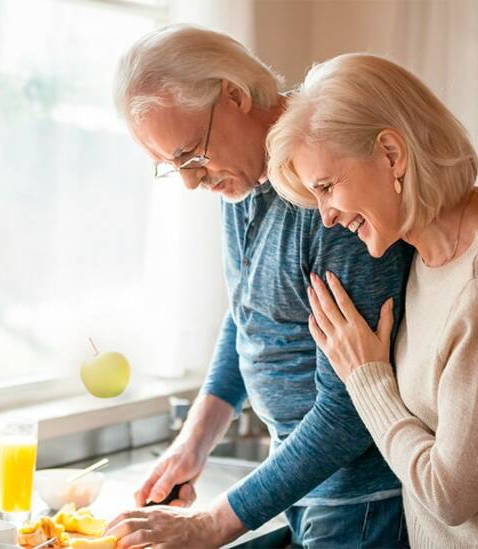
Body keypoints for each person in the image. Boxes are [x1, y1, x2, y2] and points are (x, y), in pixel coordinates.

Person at [103, 25, 414, 549]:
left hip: (359, 503)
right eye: (170, 167)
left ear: (234, 96)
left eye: (190, 155)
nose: (189, 181)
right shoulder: (245, 178)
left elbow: (353, 408)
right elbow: (252, 312)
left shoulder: (332, 195)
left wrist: (211, 524)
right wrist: (193, 442)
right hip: (301, 486)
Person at [266, 52, 478, 548]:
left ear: (391, 154)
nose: (325, 216)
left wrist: (365, 378)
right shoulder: (428, 246)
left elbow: (449, 494)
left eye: (327, 187)